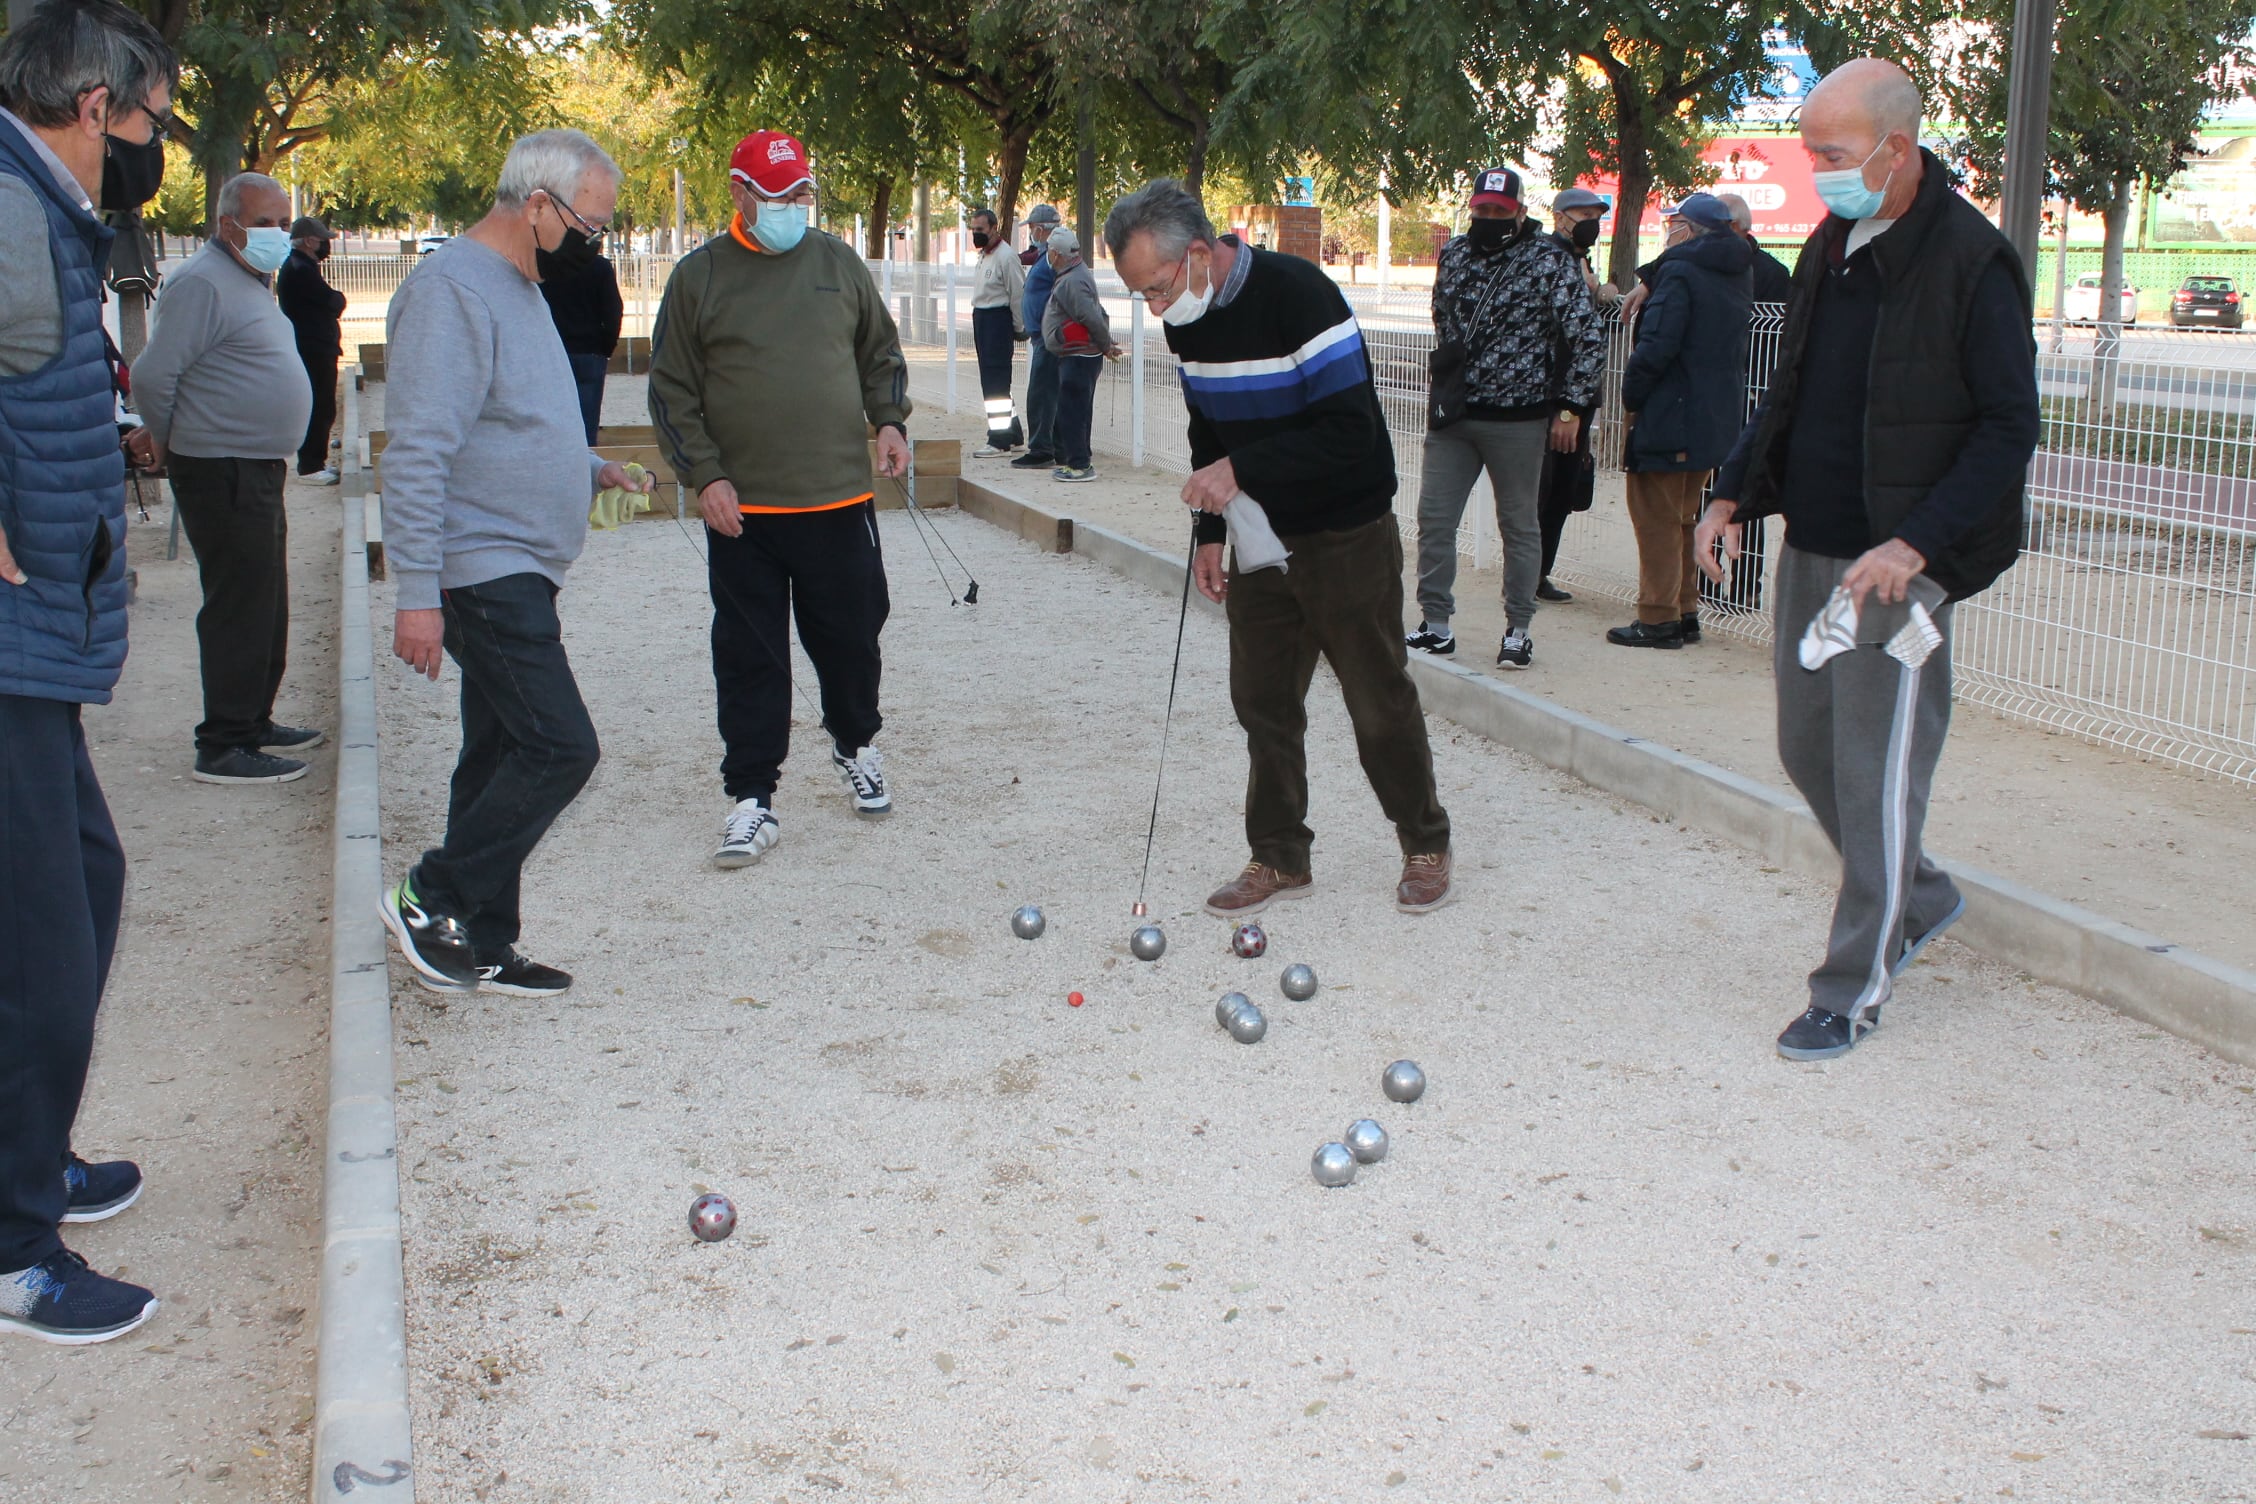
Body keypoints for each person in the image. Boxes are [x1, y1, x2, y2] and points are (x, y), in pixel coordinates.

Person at [1696, 59, 2039, 1060]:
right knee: (1810, 751)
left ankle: (1851, 987)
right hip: (1818, 540)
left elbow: (2009, 426)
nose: (1818, 175)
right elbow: (1792, 391)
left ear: (1897, 149)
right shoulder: (1834, 243)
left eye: (1833, 156)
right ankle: (1921, 896)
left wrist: (1916, 541)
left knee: (1878, 769)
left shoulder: (1975, 260)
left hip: (1900, 563)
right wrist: (1729, 492)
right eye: (1810, 155)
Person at [1105, 179, 1455, 916]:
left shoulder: (1301, 295)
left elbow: (1350, 435)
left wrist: (1241, 471)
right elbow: (1210, 430)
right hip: (1257, 534)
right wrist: (1209, 530)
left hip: (1345, 532)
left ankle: (1425, 841)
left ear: (1199, 253)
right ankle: (1278, 856)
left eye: (1158, 288)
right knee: (1262, 702)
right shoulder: (1186, 320)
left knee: (1376, 700)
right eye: (1143, 296)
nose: (1157, 309)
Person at [377, 128, 652, 998]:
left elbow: (524, 421)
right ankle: (432, 895)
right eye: (590, 226)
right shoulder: (450, 292)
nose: (594, 246)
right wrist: (416, 595)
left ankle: (483, 940)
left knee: (497, 751)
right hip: (478, 566)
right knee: (561, 746)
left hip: (522, 562)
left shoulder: (521, 285)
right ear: (537, 206)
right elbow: (418, 453)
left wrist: (591, 468)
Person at [0, 0, 177, 1347]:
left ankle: (34, 1153)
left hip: (37, 638)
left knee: (90, 881)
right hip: (6, 641)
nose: (152, 143)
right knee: (38, 950)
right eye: (148, 120)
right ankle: (14, 1250)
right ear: (89, 105)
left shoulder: (40, 211)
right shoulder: (9, 204)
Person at [648, 129, 911, 870]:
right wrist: (707, 475)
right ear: (739, 193)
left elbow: (879, 353)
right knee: (750, 655)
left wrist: (889, 420)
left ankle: (856, 743)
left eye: (800, 193)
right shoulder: (699, 278)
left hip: (837, 499)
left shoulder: (836, 262)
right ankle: (752, 799)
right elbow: (672, 389)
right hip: (746, 513)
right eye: (775, 195)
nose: (791, 206)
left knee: (853, 640)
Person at [133, 171, 322, 783]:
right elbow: (154, 375)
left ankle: (253, 719)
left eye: (283, 225)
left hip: (255, 465)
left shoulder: (245, 279)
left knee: (266, 600)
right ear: (227, 225)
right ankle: (223, 743)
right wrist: (162, 438)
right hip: (221, 465)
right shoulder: (201, 283)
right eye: (265, 224)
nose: (278, 236)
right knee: (239, 604)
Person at [1407, 166, 1605, 671]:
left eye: (1500, 210)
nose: (1490, 217)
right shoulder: (1453, 253)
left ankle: (1519, 629)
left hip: (1519, 418)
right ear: (1472, 207)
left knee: (1519, 524)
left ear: (1519, 211)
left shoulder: (1547, 260)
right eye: (1482, 209)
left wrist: (1570, 407)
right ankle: (1436, 623)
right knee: (1433, 519)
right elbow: (1442, 316)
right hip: (1455, 415)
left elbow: (1586, 338)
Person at [1604, 192, 1752, 650]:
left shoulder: (1680, 274)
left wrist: (1632, 394)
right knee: (1685, 516)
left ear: (1687, 229)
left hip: (1672, 412)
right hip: (1715, 415)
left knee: (1655, 516)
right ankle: (1685, 610)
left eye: (1674, 223)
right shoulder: (1739, 269)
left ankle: (1658, 618)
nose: (1667, 231)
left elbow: (1658, 344)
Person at [1698, 192, 1791, 613]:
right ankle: (1704, 580)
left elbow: (1779, 337)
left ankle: (1746, 585)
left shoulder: (1773, 273)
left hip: (1754, 395)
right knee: (1709, 490)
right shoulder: (1706, 264)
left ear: (1736, 227)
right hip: (1717, 393)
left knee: (1746, 493)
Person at [1534, 185, 1611, 604]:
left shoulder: (1582, 263)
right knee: (1541, 488)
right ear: (1561, 217)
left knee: (1565, 489)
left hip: (1580, 396)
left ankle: (1541, 571)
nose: (1590, 224)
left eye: (1596, 216)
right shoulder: (1547, 259)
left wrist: (1600, 294)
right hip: (1551, 394)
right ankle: (1525, 574)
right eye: (1583, 215)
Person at [1039, 226, 1118, 483]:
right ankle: (1080, 459)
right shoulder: (1075, 273)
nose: (1048, 256)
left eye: (1050, 252)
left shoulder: (1072, 280)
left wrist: (1106, 344)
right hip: (1078, 355)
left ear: (1057, 254)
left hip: (1079, 356)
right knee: (1078, 409)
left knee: (1072, 411)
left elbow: (1090, 316)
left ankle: (1079, 465)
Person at [275, 214, 344, 484]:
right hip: (313, 346)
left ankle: (318, 452)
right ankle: (311, 465)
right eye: (322, 240)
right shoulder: (300, 269)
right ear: (308, 241)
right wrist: (337, 299)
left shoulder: (302, 266)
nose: (325, 245)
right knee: (320, 405)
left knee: (322, 403)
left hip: (315, 344)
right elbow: (332, 301)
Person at [537, 240, 623, 444]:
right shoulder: (600, 267)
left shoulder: (545, 267)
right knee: (586, 425)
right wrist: (605, 348)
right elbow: (613, 312)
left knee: (552, 424)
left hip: (553, 352)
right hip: (590, 353)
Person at [967, 205, 1025, 456]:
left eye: (980, 229)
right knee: (991, 380)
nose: (976, 234)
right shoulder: (984, 255)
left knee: (996, 382)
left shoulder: (1006, 256)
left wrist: (1019, 326)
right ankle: (1013, 433)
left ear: (993, 228)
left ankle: (998, 439)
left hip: (997, 319)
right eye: (973, 229)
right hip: (982, 317)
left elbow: (1017, 293)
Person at [1012, 203, 1063, 471]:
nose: (1031, 232)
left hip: (1048, 337)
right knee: (1046, 392)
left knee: (1041, 394)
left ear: (1041, 229)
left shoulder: (1053, 257)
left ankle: (1042, 449)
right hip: (1042, 335)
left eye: (1032, 228)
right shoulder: (1045, 255)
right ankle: (1051, 446)